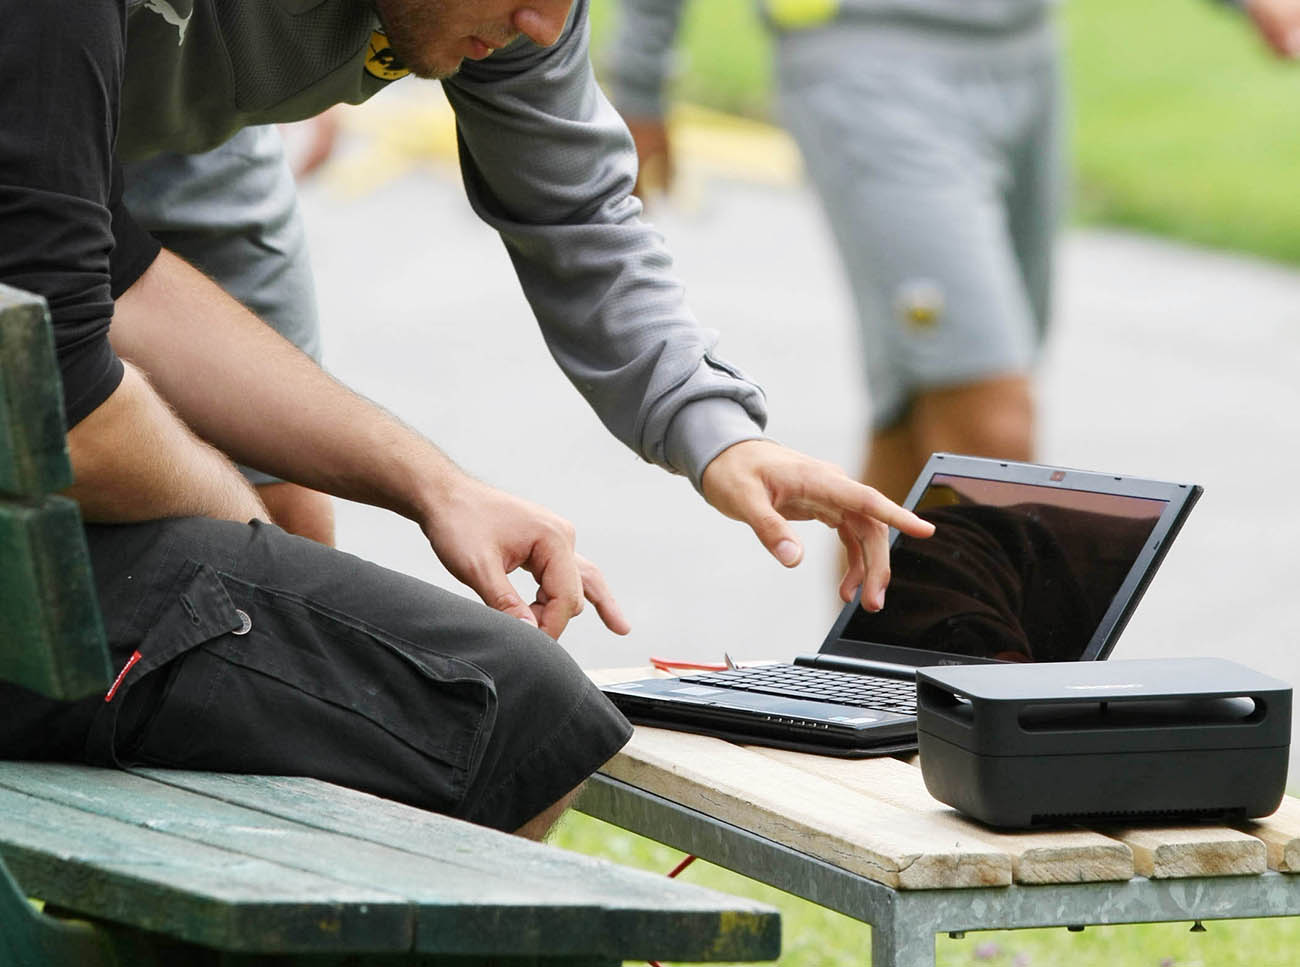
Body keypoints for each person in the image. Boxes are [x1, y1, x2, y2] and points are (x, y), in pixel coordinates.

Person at [0, 0, 933, 839]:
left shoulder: (516, 14)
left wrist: (714, 429)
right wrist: (253, 548)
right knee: (476, 695)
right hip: (89, 135)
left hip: (134, 184)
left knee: (288, 570)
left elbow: (575, 205)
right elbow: (69, 396)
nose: (543, 22)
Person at [607, 0, 1066, 506]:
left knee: (920, 429)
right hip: (867, 58)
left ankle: (869, 587)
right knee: (989, 427)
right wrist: (639, 78)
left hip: (1026, 47)